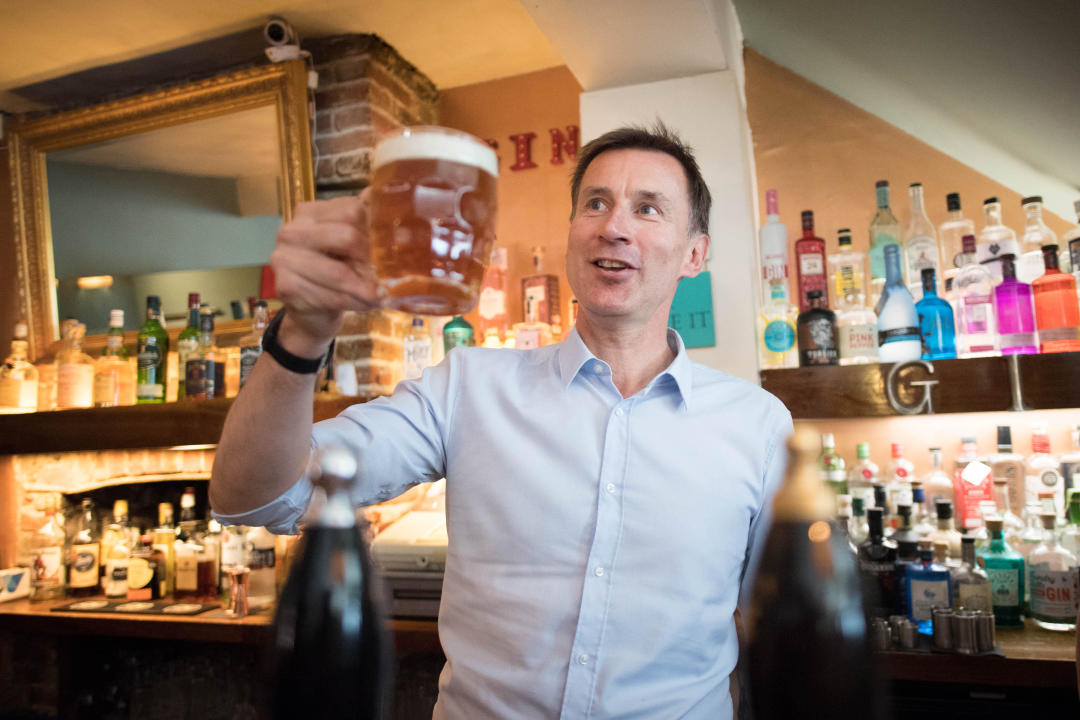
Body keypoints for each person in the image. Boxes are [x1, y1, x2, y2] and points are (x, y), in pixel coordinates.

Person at [210, 123, 792, 719]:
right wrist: (303, 332)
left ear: (695, 253)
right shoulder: (467, 386)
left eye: (648, 209)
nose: (613, 227)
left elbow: (787, 640)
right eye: (595, 203)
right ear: (571, 235)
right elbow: (255, 498)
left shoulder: (758, 427)